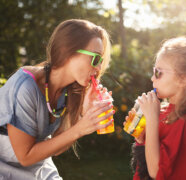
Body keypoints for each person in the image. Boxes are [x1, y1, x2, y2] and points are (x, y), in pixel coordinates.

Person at [0, 19, 115, 179]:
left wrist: (84, 112)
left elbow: (57, 146)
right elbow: (25, 156)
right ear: (68, 51)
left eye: (101, 61)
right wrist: (80, 127)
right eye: (95, 59)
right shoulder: (25, 87)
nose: (98, 68)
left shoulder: (69, 90)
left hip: (38, 167)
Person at [125, 37, 186, 180]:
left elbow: (156, 172)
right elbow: (146, 164)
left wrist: (151, 120)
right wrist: (141, 140)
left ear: (183, 79)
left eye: (158, 72)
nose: (152, 78)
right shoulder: (164, 113)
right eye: (153, 71)